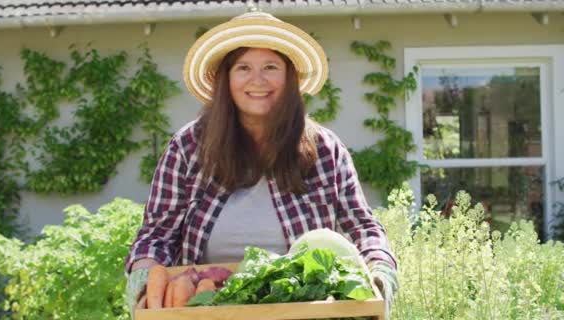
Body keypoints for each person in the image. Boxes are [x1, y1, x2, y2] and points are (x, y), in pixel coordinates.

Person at [125, 8, 398, 319]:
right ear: (226, 79)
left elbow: (362, 226)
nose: (258, 80)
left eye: (271, 66)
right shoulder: (188, 148)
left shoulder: (325, 150)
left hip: (305, 313)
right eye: (243, 68)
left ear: (289, 76)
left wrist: (380, 272)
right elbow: (156, 234)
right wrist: (145, 283)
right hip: (205, 311)